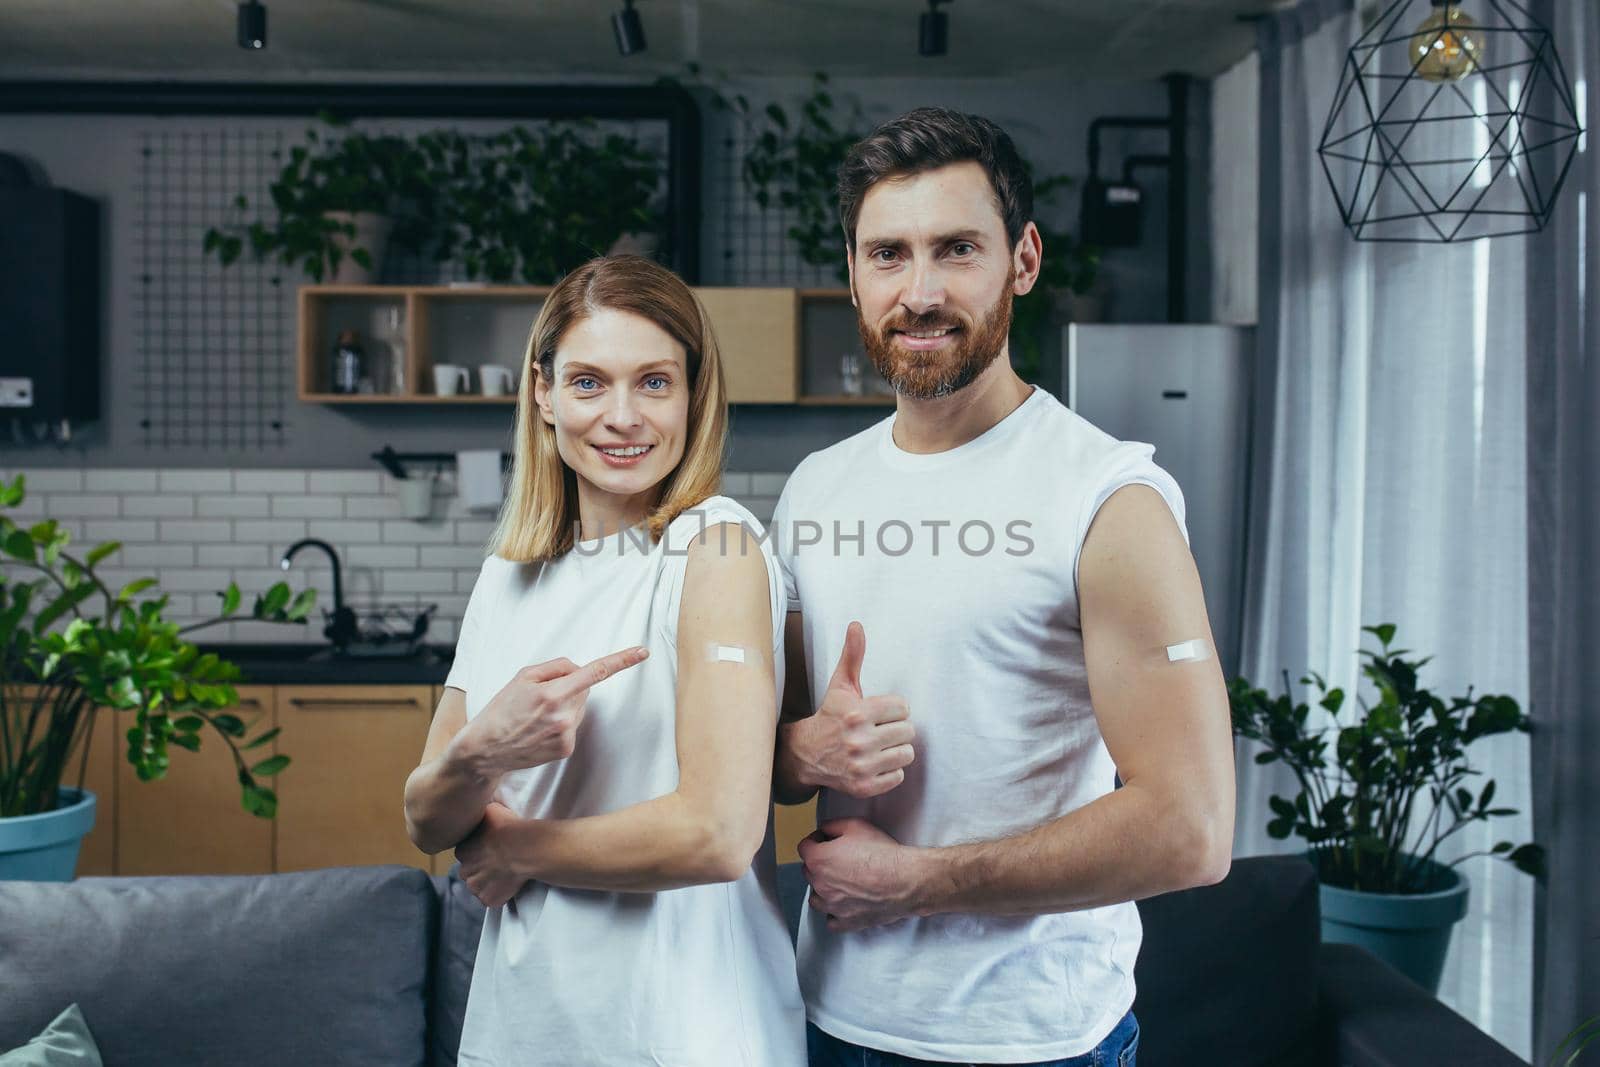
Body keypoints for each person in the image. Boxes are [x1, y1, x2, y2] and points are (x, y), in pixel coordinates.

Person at [770, 108, 1237, 1066]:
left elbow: (1191, 829)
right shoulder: (818, 487)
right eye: (889, 254)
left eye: (958, 249)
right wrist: (804, 748)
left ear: (1022, 260)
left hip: (1029, 1041)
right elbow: (763, 765)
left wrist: (916, 882)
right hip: (827, 1014)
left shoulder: (1108, 498)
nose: (921, 291)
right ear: (853, 273)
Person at [402, 255, 806, 1067]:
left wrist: (520, 848)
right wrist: (485, 749)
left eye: (654, 382)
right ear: (543, 394)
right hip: (522, 1032)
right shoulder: (510, 572)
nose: (623, 416)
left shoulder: (713, 545)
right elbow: (425, 818)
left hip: (682, 1037)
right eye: (590, 383)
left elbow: (719, 833)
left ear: (694, 393)